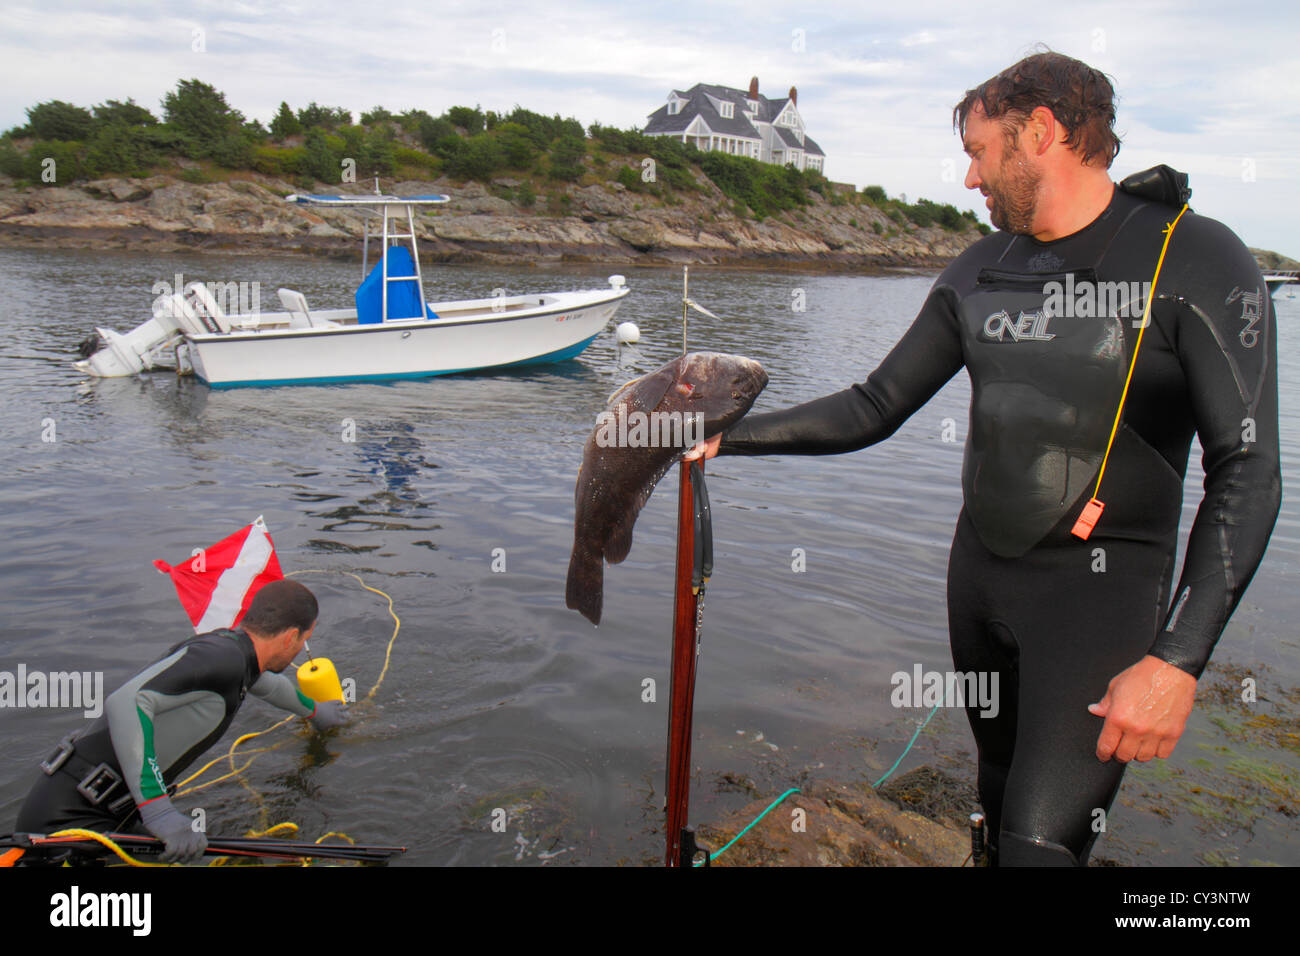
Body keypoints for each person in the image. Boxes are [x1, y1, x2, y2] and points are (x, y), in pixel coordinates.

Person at [687, 51, 1281, 865]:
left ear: (1040, 133)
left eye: (978, 151)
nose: (969, 179)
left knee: (1041, 843)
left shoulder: (1195, 258)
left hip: (1098, 598)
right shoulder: (981, 268)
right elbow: (874, 404)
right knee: (997, 801)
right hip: (979, 582)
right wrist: (726, 435)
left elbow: (1247, 471)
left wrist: (1177, 663)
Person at [13, 579, 348, 864]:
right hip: (67, 821)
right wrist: (159, 811)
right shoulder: (224, 659)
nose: (301, 648)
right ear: (290, 636)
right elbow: (127, 702)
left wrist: (317, 712)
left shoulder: (234, 652)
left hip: (111, 809)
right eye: (304, 640)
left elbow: (267, 685)